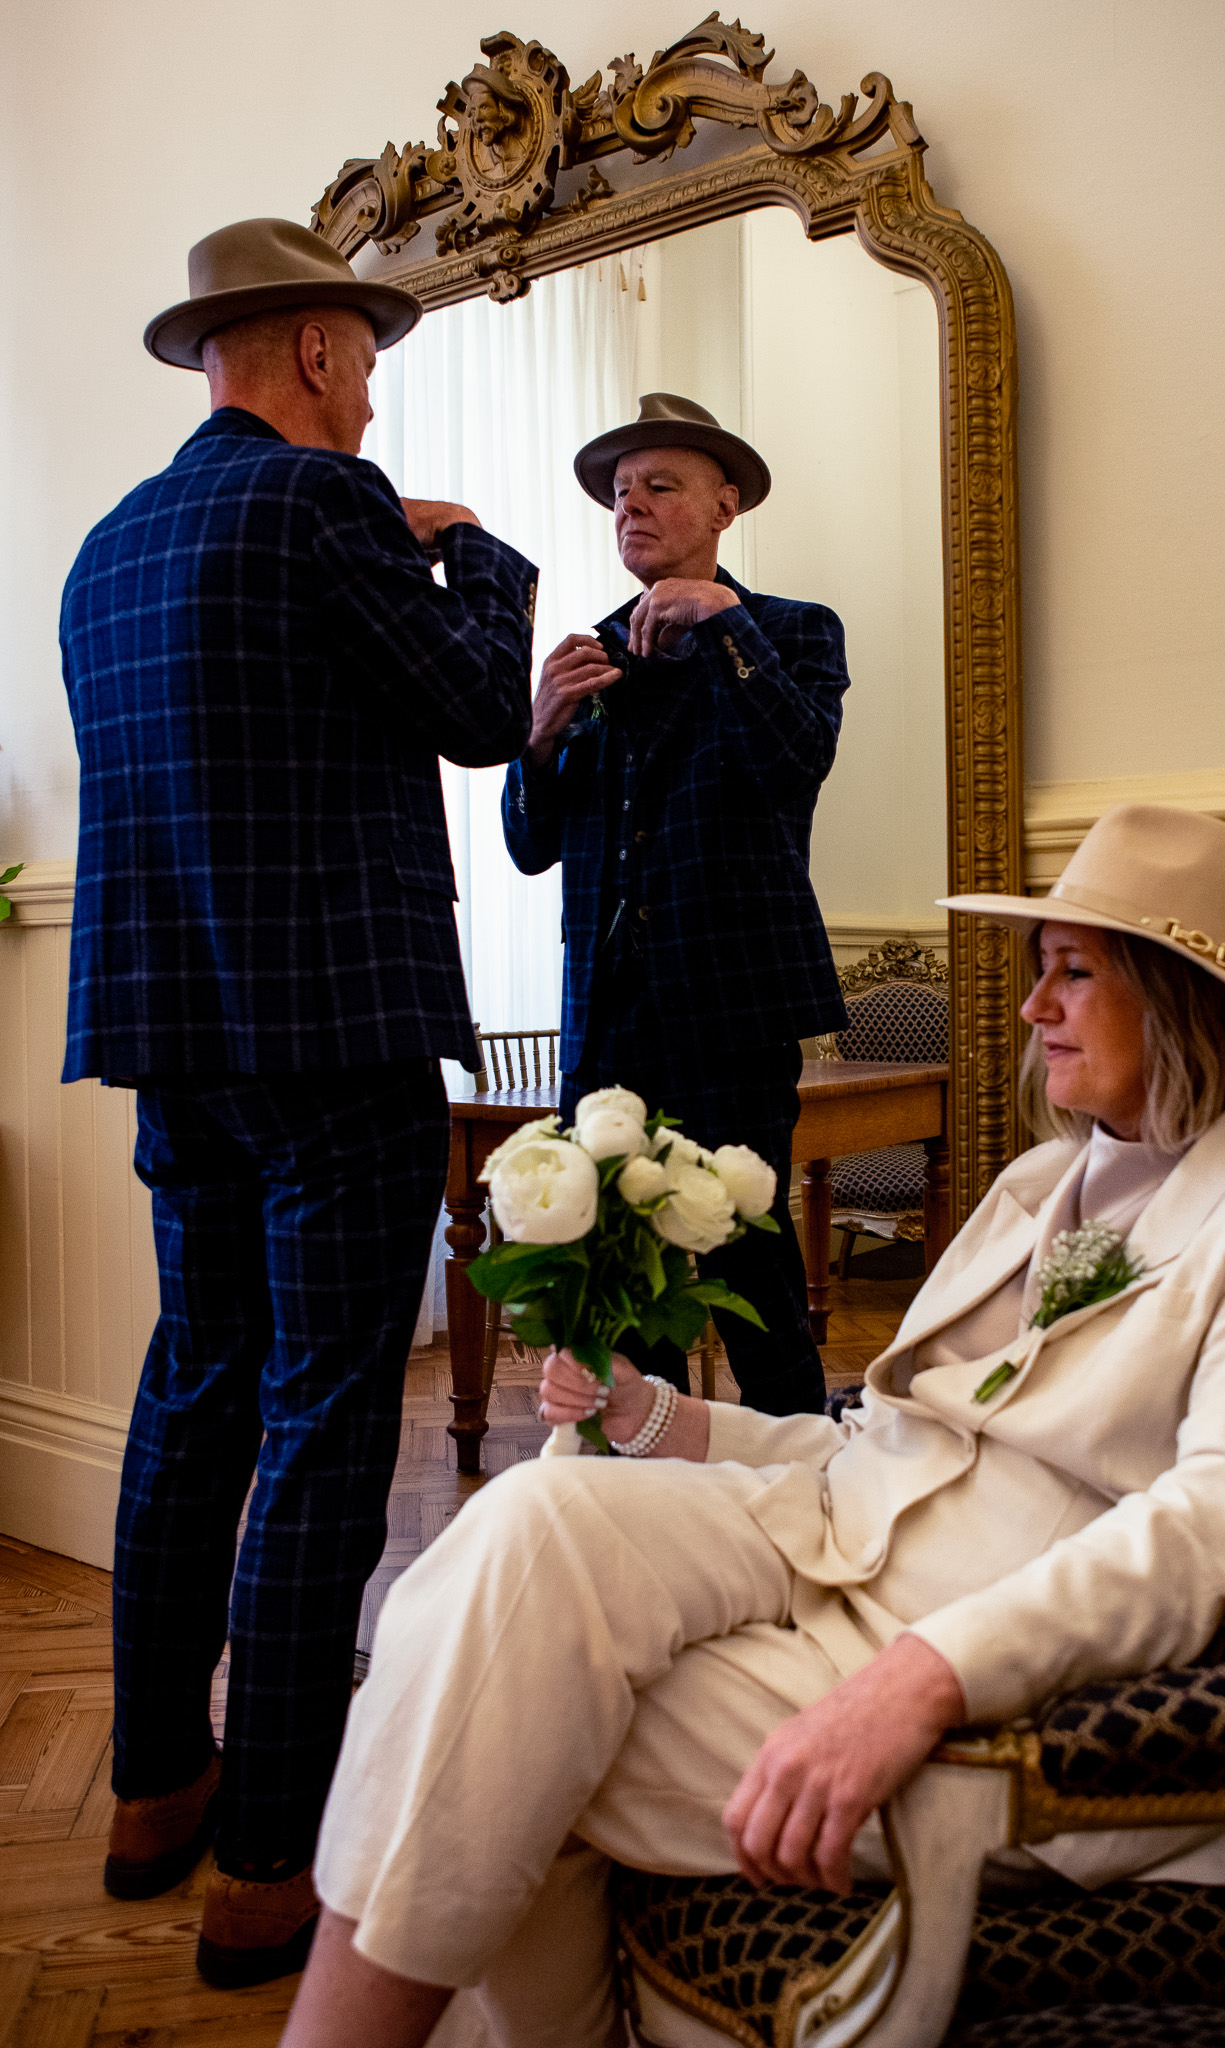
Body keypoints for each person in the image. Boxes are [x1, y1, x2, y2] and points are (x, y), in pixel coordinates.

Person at [282, 802, 1225, 2048]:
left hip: (1010, 1683)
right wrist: (665, 1418)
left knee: (484, 1716)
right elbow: (885, 1444)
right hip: (832, 1556)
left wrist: (924, 1677)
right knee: (529, 1519)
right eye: (1038, 970)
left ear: (1183, 996)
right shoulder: (1031, 1186)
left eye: (1074, 971)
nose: (1031, 1008)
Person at [60, 218, 536, 1986]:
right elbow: (485, 710)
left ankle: (153, 1788)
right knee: (327, 1411)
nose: (372, 390)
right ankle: (269, 1856)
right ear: (323, 354)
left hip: (170, 1030)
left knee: (193, 1382)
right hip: (331, 1032)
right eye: (370, 357)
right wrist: (471, 557)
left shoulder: (107, 547)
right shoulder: (328, 508)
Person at [501, 393, 850, 1416]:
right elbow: (529, 846)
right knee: (606, 1265)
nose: (632, 508)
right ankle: (629, 1483)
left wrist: (730, 626)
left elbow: (793, 764)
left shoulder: (791, 631)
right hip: (606, 1013)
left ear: (725, 504)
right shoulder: (587, 657)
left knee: (750, 1259)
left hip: (733, 1009)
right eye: (619, 493)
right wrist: (539, 732)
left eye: (661, 485)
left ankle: (800, 1472)